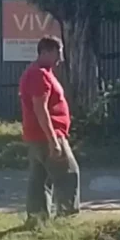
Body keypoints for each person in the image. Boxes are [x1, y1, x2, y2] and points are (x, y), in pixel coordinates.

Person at [18, 35, 80, 228]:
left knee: (39, 178)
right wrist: (53, 140)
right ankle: (67, 219)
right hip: (47, 135)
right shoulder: (39, 74)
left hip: (36, 136)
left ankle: (37, 219)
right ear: (45, 52)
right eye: (57, 53)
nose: (60, 58)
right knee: (68, 173)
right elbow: (40, 108)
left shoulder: (39, 72)